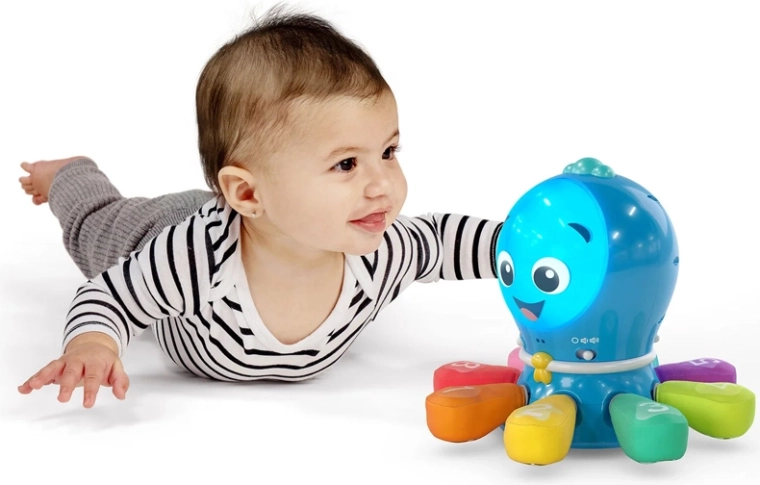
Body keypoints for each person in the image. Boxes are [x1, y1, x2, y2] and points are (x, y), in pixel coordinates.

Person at [17, 7, 503, 409]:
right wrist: (94, 343)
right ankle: (67, 173)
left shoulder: (378, 248)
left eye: (389, 152)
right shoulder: (194, 258)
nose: (383, 186)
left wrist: (519, 242)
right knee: (94, 225)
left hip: (244, 216)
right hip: (165, 226)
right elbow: (110, 297)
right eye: (346, 164)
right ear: (249, 194)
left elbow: (443, 243)